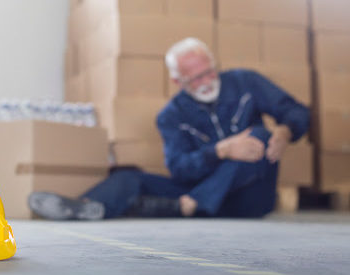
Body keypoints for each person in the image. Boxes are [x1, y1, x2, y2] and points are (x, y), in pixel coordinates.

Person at [28, 37, 310, 220]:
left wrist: (285, 131)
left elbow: (297, 111)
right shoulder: (170, 116)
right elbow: (179, 168)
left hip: (249, 198)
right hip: (198, 189)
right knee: (130, 176)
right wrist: (219, 151)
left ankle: (186, 206)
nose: (206, 81)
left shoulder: (245, 82)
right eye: (195, 78)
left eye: (209, 71)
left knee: (259, 135)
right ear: (178, 82)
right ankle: (84, 207)